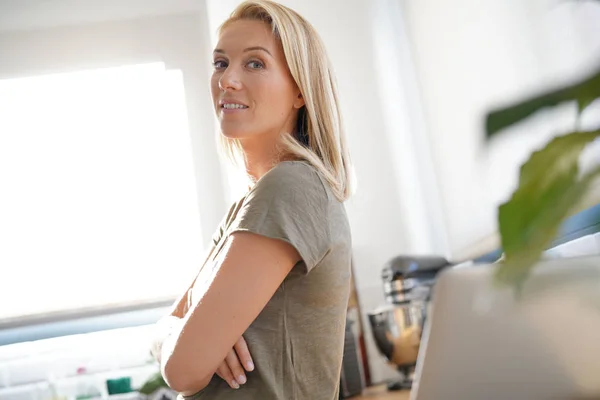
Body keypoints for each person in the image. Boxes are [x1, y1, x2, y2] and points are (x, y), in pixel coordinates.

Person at [150, 1, 353, 398]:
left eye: (255, 64)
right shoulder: (248, 205)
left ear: (299, 89)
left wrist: (187, 338)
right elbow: (166, 328)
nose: (227, 79)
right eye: (221, 63)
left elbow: (183, 370)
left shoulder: (291, 189)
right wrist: (180, 332)